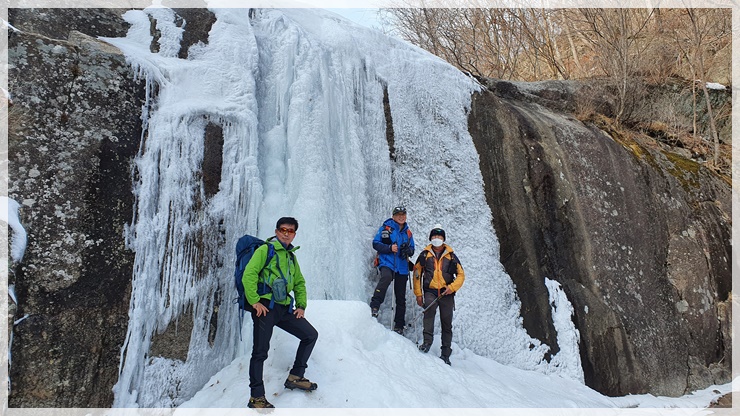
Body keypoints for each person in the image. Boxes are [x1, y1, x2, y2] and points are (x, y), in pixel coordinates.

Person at [242, 217, 319, 409]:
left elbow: (299, 282)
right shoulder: (265, 250)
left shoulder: (291, 257)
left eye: (290, 231)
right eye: (283, 230)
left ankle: (295, 376)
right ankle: (256, 397)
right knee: (260, 352)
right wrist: (254, 301)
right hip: (265, 307)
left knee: (310, 335)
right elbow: (249, 274)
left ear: (294, 234)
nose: (286, 233)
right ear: (276, 231)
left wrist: (301, 306)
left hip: (284, 308)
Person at [412, 225, 465, 365]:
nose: (437, 239)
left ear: (443, 239)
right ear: (431, 238)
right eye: (434, 236)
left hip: (447, 293)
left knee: (446, 322)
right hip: (430, 291)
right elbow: (417, 274)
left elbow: (461, 275)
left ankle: (446, 353)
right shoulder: (424, 255)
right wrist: (418, 294)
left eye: (439, 237)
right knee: (428, 313)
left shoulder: (451, 256)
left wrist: (452, 288)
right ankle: (427, 343)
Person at [370, 206, 415, 335]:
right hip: (387, 262)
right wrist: (389, 248)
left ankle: (399, 325)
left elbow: (412, 248)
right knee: (386, 278)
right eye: (398, 215)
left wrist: (408, 251)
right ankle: (375, 305)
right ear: (393, 216)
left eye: (403, 215)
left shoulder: (408, 233)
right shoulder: (386, 228)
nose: (401, 217)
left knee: (400, 296)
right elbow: (376, 243)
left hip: (402, 266)